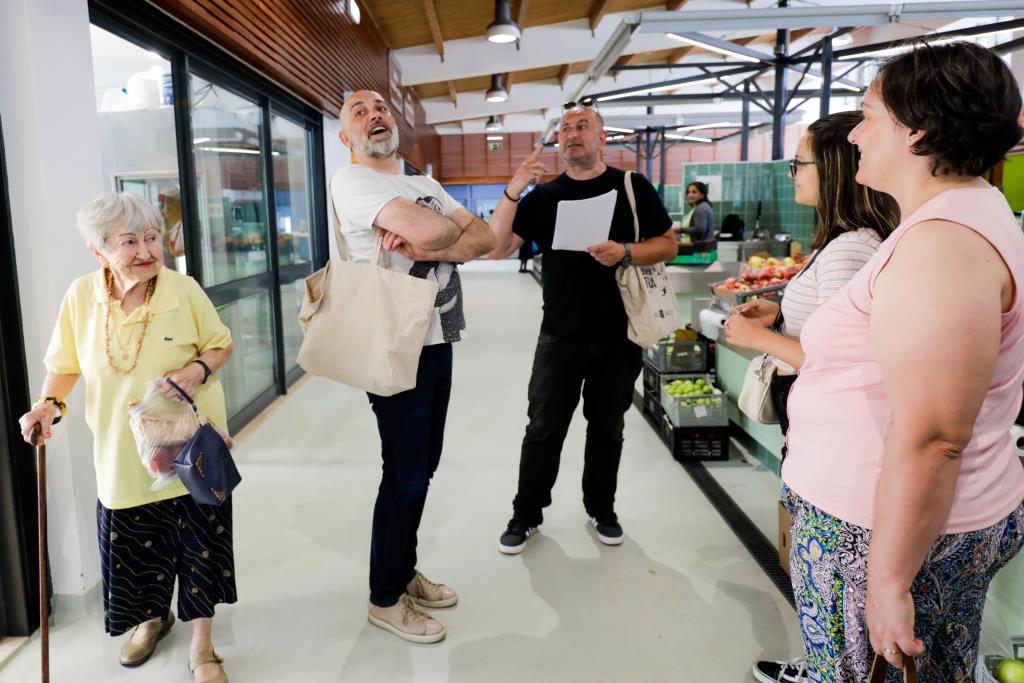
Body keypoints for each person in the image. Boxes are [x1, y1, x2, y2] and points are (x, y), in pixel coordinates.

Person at [781, 42, 1024, 681]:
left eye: (868, 115)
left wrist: (889, 583)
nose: (854, 134)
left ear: (915, 129)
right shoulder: (956, 218)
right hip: (888, 525)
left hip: (884, 536)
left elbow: (935, 436)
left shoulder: (942, 247)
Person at [17, 193, 236, 683]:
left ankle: (202, 647)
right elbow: (64, 367)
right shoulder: (81, 297)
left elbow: (221, 345)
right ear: (98, 251)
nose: (146, 251)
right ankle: (151, 619)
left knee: (201, 545)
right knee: (136, 548)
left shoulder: (183, 290)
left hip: (192, 448)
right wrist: (48, 405)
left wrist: (195, 371)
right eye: (130, 241)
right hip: (122, 453)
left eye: (152, 238)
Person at [723, 111, 900, 683]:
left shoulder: (851, 249)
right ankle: (824, 666)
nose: (792, 173)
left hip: (839, 458)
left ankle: (830, 670)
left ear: (834, 169)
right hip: (823, 443)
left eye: (799, 163)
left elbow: (850, 361)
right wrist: (780, 313)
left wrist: (758, 338)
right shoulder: (844, 243)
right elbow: (832, 327)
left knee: (833, 593)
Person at [331, 90, 496, 643]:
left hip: (437, 337)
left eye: (380, 107)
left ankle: (403, 573)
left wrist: (434, 246)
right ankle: (384, 598)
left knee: (423, 466)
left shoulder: (421, 182)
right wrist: (443, 233)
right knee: (403, 473)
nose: (374, 115)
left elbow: (487, 238)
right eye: (359, 112)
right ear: (346, 137)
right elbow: (443, 231)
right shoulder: (354, 182)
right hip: (393, 344)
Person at [488, 104, 677, 554]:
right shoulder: (544, 197)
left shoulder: (632, 186)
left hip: (619, 335)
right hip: (559, 334)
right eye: (565, 129)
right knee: (543, 429)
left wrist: (625, 252)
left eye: (582, 126)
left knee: (607, 427)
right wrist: (515, 189)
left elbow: (668, 244)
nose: (572, 133)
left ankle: (601, 509)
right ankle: (526, 514)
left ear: (601, 138)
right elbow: (497, 248)